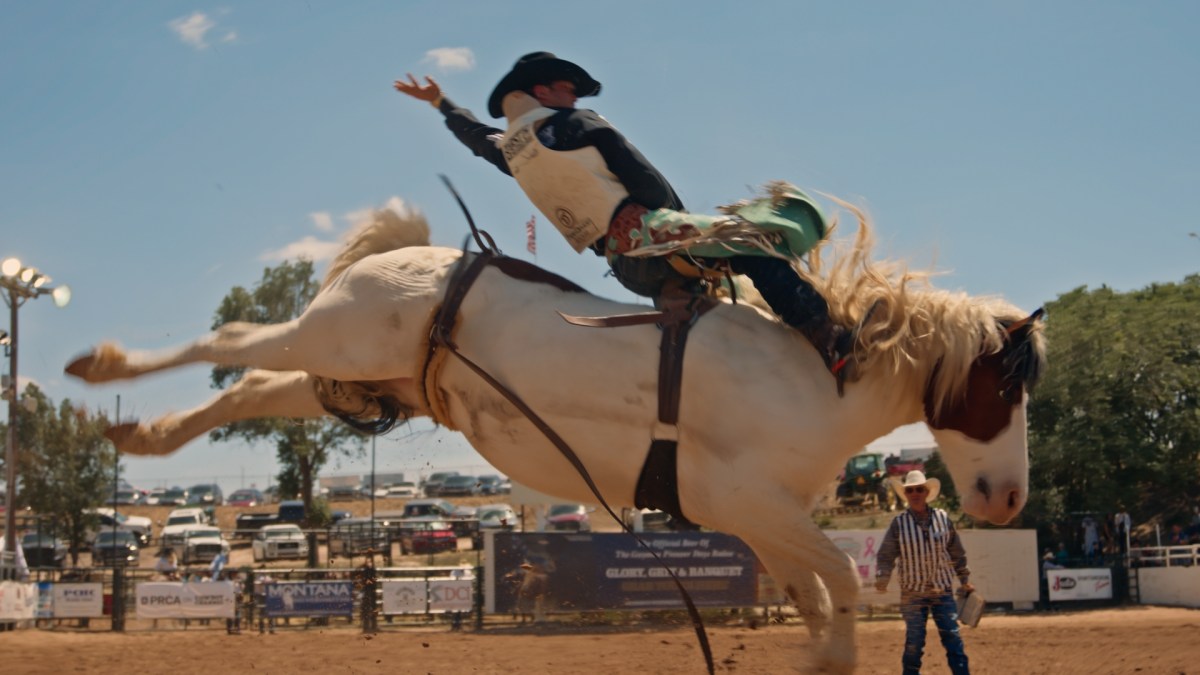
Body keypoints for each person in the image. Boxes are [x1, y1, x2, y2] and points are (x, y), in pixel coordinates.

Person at [394, 52, 850, 371]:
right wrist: (677, 221)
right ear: (541, 91)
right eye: (566, 89)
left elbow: (475, 137)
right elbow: (645, 179)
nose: (574, 97)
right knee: (752, 245)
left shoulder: (511, 151)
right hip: (655, 242)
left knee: (694, 330)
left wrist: (440, 103)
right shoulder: (578, 123)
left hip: (625, 267)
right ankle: (826, 337)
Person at [875, 470, 973, 675]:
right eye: (910, 490)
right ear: (906, 494)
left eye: (919, 489)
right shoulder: (899, 523)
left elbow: (956, 550)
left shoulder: (942, 518)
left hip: (941, 589)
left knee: (953, 637)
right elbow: (886, 554)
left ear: (927, 492)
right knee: (915, 641)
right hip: (913, 592)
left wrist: (964, 578)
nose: (915, 494)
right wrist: (883, 576)